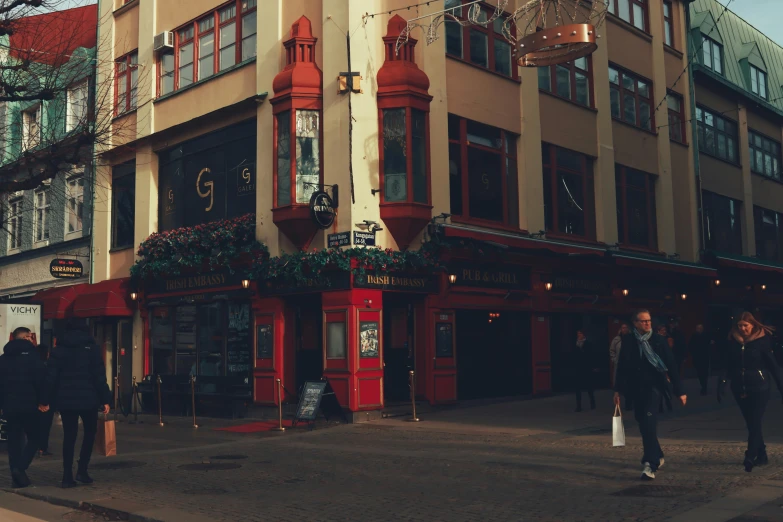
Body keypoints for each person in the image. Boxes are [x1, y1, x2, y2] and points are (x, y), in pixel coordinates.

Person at [614, 310, 687, 481]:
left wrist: (680, 391)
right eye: (644, 321)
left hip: (654, 388)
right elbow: (622, 367)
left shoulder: (658, 341)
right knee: (643, 422)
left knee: (648, 422)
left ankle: (650, 463)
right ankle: (658, 454)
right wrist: (617, 390)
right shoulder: (629, 341)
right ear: (635, 323)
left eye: (649, 321)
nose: (648, 324)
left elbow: (671, 365)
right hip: (635, 389)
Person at [40, 321, 111, 489]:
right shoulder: (92, 349)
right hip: (89, 399)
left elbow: (50, 378)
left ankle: (66, 476)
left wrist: (44, 400)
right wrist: (105, 399)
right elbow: (99, 376)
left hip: (66, 400)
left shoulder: (59, 350)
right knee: (89, 434)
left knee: (69, 437)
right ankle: (82, 470)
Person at [718, 312, 783, 472]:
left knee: (754, 421)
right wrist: (722, 384)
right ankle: (762, 454)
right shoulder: (733, 341)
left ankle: (750, 455)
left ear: (752, 325)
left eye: (745, 325)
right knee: (751, 423)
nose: (742, 329)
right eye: (740, 325)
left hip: (760, 387)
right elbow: (727, 364)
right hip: (739, 387)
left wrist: (781, 387)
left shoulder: (762, 341)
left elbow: (773, 366)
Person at [0, 327, 47, 488]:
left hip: (10, 405)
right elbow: (40, 380)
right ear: (27, 337)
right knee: (35, 437)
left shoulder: (4, 358)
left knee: (14, 441)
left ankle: (16, 477)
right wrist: (43, 401)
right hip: (29, 404)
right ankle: (20, 469)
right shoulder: (33, 357)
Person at [37, 343, 55, 457]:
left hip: (35, 402)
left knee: (36, 425)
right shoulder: (48, 367)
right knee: (45, 426)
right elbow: (48, 385)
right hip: (47, 401)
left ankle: (36, 446)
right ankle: (42, 448)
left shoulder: (33, 365)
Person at [610, 324, 633, 411]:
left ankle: (629, 403)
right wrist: (615, 359)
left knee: (629, 383)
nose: (624, 329)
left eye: (626, 327)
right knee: (619, 381)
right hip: (619, 364)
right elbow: (612, 350)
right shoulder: (617, 339)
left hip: (629, 364)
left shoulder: (631, 339)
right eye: (623, 328)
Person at [574, 330, 598, 412]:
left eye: (580, 334)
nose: (578, 335)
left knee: (589, 387)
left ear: (584, 335)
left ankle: (592, 403)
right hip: (578, 368)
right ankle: (578, 406)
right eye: (578, 334)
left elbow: (592, 355)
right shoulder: (575, 344)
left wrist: (593, 366)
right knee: (577, 388)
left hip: (587, 368)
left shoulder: (588, 344)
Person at [690, 325, 714, 396]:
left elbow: (710, 344)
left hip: (704, 357)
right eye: (698, 328)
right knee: (700, 372)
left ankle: (704, 387)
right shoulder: (694, 336)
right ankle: (703, 385)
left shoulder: (706, 336)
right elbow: (691, 346)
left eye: (700, 328)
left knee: (704, 372)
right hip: (697, 357)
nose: (699, 330)